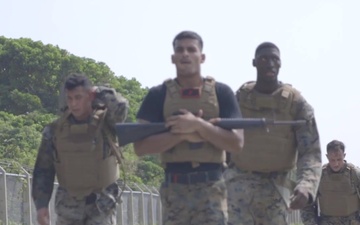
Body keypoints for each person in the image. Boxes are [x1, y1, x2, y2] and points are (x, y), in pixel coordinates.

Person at [133, 30, 244, 225]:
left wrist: (198, 125)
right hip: (175, 187)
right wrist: (183, 134)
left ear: (202, 57)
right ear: (173, 57)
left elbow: (236, 143)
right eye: (180, 50)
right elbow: (140, 147)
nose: (185, 54)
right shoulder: (158, 95)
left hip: (212, 187)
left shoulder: (221, 92)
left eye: (191, 49)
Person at [225, 42, 322, 225]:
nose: (270, 64)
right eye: (263, 59)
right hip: (238, 184)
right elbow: (222, 140)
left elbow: (310, 152)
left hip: (276, 187)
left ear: (280, 63)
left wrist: (306, 186)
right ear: (254, 63)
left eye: (274, 59)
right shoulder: (240, 99)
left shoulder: (296, 104)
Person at [32, 73, 128, 225]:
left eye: (78, 97)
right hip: (68, 207)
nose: (73, 104)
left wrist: (99, 91)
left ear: (89, 96)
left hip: (101, 207)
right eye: (70, 98)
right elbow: (43, 170)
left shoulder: (106, 123)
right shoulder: (55, 130)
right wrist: (41, 206)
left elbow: (122, 108)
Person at [301, 140, 360, 225]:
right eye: (332, 160)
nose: (336, 164)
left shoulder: (355, 174)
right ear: (327, 156)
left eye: (339, 159)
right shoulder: (318, 176)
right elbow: (307, 205)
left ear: (344, 155)